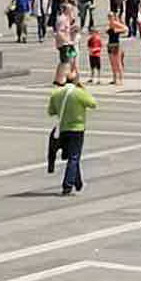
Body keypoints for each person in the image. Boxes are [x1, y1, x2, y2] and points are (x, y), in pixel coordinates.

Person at [47, 67, 95, 195]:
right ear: (76, 81)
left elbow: (51, 111)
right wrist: (83, 89)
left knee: (73, 156)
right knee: (74, 156)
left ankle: (78, 182)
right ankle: (67, 184)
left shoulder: (57, 93)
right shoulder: (79, 93)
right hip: (77, 128)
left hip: (63, 129)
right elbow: (93, 103)